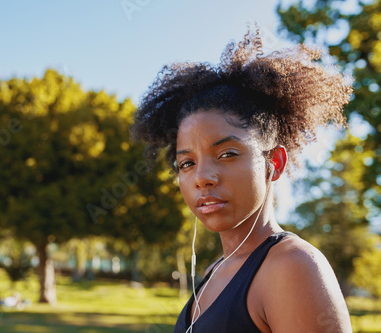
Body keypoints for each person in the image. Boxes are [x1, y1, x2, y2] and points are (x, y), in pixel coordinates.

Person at [131, 28, 353, 333]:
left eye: (227, 154)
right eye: (187, 163)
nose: (202, 178)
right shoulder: (214, 271)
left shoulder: (292, 267)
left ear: (273, 163)